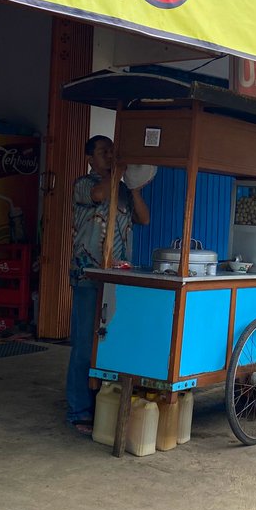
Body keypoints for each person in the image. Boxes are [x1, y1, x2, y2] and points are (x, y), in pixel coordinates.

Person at [66, 134, 151, 433]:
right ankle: (78, 410)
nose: (109, 156)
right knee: (84, 345)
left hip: (118, 278)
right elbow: (100, 195)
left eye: (112, 151)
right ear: (90, 159)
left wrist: (136, 187)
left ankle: (102, 403)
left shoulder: (124, 189)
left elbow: (143, 218)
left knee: (111, 342)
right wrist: (118, 173)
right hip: (88, 275)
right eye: (103, 152)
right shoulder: (84, 185)